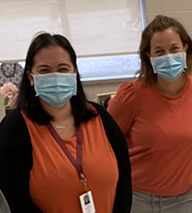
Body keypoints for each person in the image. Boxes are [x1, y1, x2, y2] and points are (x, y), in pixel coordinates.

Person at [0, 33, 132, 213]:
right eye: (45, 70)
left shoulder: (99, 116)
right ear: (31, 78)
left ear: (74, 73)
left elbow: (124, 181)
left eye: (63, 69)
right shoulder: (14, 128)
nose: (55, 76)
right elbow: (15, 200)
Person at [108, 15, 192, 212]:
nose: (168, 56)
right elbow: (108, 145)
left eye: (174, 49)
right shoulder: (131, 96)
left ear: (185, 48)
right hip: (137, 198)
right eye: (159, 51)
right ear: (149, 57)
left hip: (184, 199)